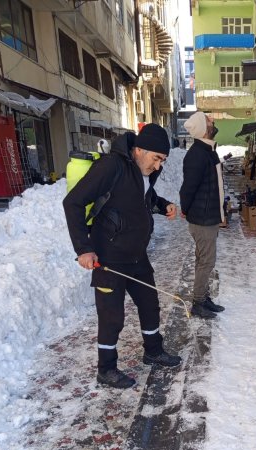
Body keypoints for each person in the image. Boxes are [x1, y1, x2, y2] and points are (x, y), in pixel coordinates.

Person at [62, 123, 183, 389]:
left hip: (137, 255)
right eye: (156, 158)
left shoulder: (145, 172)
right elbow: (73, 202)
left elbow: (142, 196)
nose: (158, 166)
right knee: (112, 317)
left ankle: (153, 351)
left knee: (150, 305)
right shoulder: (111, 167)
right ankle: (106, 369)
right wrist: (83, 248)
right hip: (108, 258)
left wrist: (163, 205)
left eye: (163, 160)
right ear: (139, 150)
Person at [177, 111, 226, 319]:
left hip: (209, 217)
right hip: (203, 218)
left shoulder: (207, 151)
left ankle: (203, 298)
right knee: (207, 261)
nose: (212, 121)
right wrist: (185, 209)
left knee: (203, 260)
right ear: (203, 128)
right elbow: (188, 188)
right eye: (208, 120)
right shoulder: (197, 154)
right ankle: (198, 303)